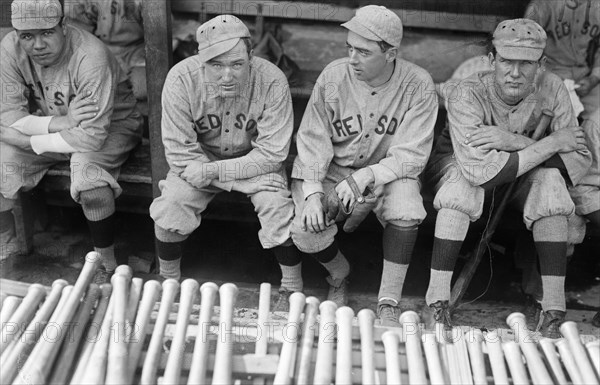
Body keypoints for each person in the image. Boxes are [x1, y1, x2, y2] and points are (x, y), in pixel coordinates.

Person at [423, 18, 591, 337]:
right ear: (491, 61)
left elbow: (577, 164)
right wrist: (551, 144)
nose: (515, 73)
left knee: (552, 185)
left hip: (518, 179)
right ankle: (437, 301)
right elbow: (480, 172)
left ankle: (552, 308)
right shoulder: (466, 92)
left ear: (540, 65)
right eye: (507, 62)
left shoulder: (553, 87)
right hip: (456, 169)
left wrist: (514, 141)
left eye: (526, 64)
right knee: (462, 187)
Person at [291, 5, 437, 325]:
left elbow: (410, 156)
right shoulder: (334, 75)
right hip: (335, 169)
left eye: (364, 52)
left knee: (408, 207)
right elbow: (313, 138)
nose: (352, 59)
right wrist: (314, 192)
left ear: (390, 53)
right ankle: (339, 274)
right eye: (350, 48)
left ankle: (388, 300)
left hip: (389, 171)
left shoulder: (419, 84)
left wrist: (369, 176)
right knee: (304, 227)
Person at [149, 15, 301, 309]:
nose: (226, 75)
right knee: (173, 202)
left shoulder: (272, 80)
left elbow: (272, 154)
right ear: (200, 59)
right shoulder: (181, 79)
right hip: (200, 159)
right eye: (215, 65)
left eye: (236, 64)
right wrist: (226, 177)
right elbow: (181, 156)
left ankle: (292, 288)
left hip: (254, 162)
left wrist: (214, 172)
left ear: (251, 57)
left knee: (276, 204)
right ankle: (168, 280)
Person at [0, 0, 143, 281]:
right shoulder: (9, 48)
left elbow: (90, 136)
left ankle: (106, 262)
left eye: (47, 33)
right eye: (27, 36)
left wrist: (31, 142)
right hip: (53, 122)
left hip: (110, 126)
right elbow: (7, 116)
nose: (37, 44)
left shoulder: (90, 55)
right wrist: (60, 123)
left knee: (89, 180)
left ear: (64, 26)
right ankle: (6, 241)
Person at [525, 0, 600, 327]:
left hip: (588, 83)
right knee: (554, 190)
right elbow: (525, 47)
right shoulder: (543, 6)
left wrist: (594, 78)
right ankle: (538, 293)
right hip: (548, 81)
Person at [63, 0, 147, 100]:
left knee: (141, 88)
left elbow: (160, 35)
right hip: (100, 51)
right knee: (88, 88)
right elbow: (78, 37)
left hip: (138, 51)